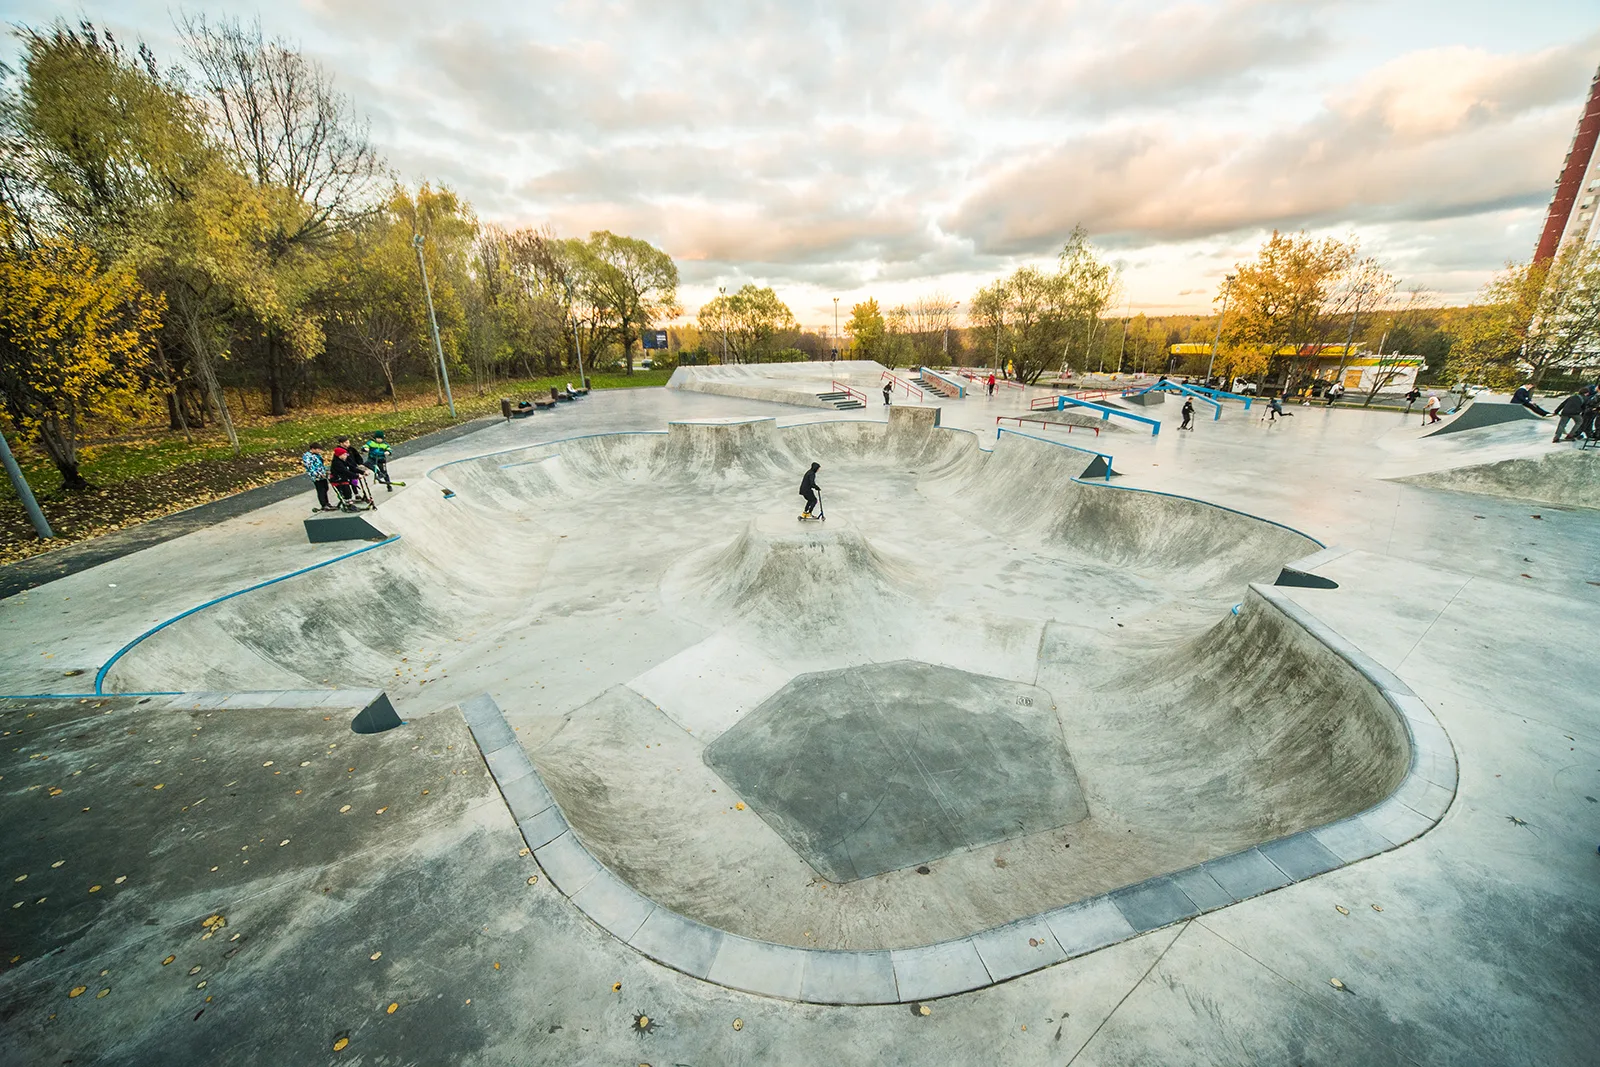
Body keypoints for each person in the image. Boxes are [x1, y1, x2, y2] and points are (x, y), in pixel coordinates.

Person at [330, 435, 368, 506]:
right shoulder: (337, 462)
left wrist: (362, 471)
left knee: (352, 484)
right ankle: (347, 501)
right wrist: (357, 475)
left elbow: (353, 463)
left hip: (345, 475)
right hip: (337, 479)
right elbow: (345, 471)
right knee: (345, 489)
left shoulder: (346, 455)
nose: (346, 456)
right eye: (344, 455)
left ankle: (352, 497)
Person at [302, 442, 333, 512]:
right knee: (320, 489)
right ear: (313, 449)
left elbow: (320, 464)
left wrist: (325, 471)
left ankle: (327, 502)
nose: (319, 451)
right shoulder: (307, 456)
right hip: (316, 476)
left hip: (323, 474)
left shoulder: (317, 455)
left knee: (325, 488)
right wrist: (317, 474)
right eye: (318, 450)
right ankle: (323, 504)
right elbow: (310, 467)